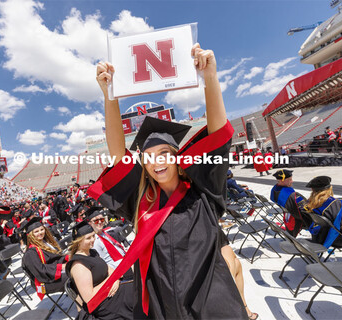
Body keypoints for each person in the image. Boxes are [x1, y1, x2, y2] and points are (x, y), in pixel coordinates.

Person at [87, 44, 248, 319]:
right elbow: (117, 154)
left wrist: (210, 77)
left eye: (164, 153)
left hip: (210, 305)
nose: (157, 161)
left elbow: (218, 134)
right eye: (148, 156)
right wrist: (109, 96)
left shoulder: (203, 192)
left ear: (177, 157)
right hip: (162, 307)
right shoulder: (142, 202)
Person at [66, 221, 134, 320]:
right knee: (137, 292)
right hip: (103, 303)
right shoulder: (78, 265)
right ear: (79, 241)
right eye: (88, 238)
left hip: (111, 290)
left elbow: (109, 269)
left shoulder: (92, 252)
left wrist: (115, 280)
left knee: (140, 283)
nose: (93, 239)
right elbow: (89, 297)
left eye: (93, 236)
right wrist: (111, 281)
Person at [22, 217, 69, 300]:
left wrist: (67, 257)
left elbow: (54, 260)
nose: (40, 233)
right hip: (45, 282)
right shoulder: (31, 253)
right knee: (74, 275)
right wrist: (61, 267)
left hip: (53, 274)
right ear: (30, 235)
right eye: (36, 231)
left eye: (41, 229)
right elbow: (40, 271)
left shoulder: (45, 243)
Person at [269, 170, 309, 237]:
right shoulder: (290, 194)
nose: (292, 181)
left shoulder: (274, 189)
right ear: (282, 180)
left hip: (287, 214)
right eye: (290, 179)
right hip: (297, 218)